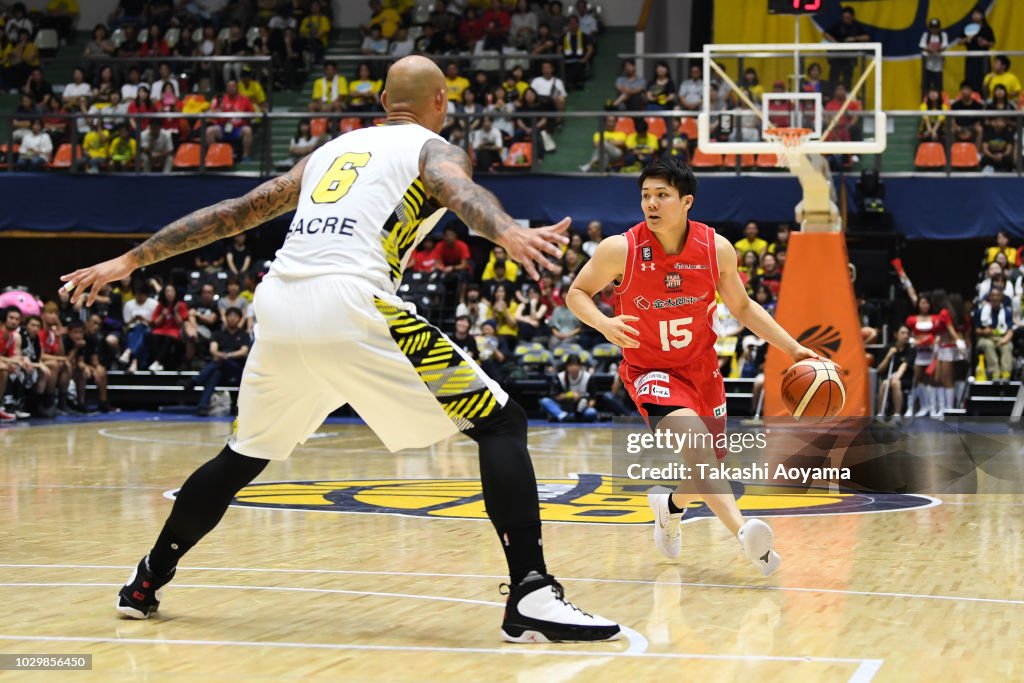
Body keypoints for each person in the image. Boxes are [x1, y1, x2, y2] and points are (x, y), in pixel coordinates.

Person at [61, 54, 619, 644]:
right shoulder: (434, 148)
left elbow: (232, 214)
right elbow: (461, 192)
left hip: (279, 307)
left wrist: (131, 258)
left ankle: (147, 580)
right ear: (442, 103)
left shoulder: (327, 153)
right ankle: (532, 593)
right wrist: (505, 230)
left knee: (244, 454)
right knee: (500, 422)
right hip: (353, 304)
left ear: (383, 102)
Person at [565, 157, 823, 576]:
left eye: (662, 195)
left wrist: (793, 349)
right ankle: (745, 534)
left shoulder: (715, 248)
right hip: (650, 372)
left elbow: (742, 306)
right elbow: (577, 292)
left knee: (706, 471)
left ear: (686, 201)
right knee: (700, 449)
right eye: (646, 195)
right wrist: (603, 322)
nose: (651, 203)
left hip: (702, 372)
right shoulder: (620, 249)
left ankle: (669, 506)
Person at [192, 307, 250, 416]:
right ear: (225, 318)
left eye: (235, 316)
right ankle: (202, 407)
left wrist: (227, 355)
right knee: (215, 374)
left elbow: (243, 351)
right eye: (230, 316)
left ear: (239, 319)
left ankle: (196, 380)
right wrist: (221, 355)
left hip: (237, 369)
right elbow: (213, 349)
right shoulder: (218, 334)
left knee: (221, 362)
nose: (232, 318)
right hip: (222, 370)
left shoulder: (244, 335)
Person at [823, 6, 870, 92]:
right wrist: (835, 43)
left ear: (852, 17)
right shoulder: (837, 24)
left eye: (848, 18)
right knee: (833, 76)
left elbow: (866, 37)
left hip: (849, 57)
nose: (846, 20)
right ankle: (831, 97)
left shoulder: (857, 26)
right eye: (844, 18)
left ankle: (847, 96)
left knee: (847, 78)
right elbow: (826, 34)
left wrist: (855, 38)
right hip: (837, 56)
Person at [877, 324, 914, 417]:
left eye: (907, 333)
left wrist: (895, 377)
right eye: (902, 333)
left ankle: (897, 414)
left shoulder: (910, 349)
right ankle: (880, 413)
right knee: (885, 384)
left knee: (895, 383)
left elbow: (904, 366)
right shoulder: (888, 348)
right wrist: (888, 356)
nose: (905, 335)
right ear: (896, 334)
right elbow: (880, 369)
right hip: (888, 377)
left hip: (904, 378)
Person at [919, 18, 948, 97]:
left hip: (939, 67)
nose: (934, 29)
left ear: (939, 27)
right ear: (930, 28)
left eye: (936, 27)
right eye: (933, 27)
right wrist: (930, 50)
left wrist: (935, 49)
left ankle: (940, 107)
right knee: (925, 88)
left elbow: (944, 46)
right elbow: (922, 46)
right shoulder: (926, 35)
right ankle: (924, 106)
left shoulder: (943, 35)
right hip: (928, 66)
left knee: (939, 89)